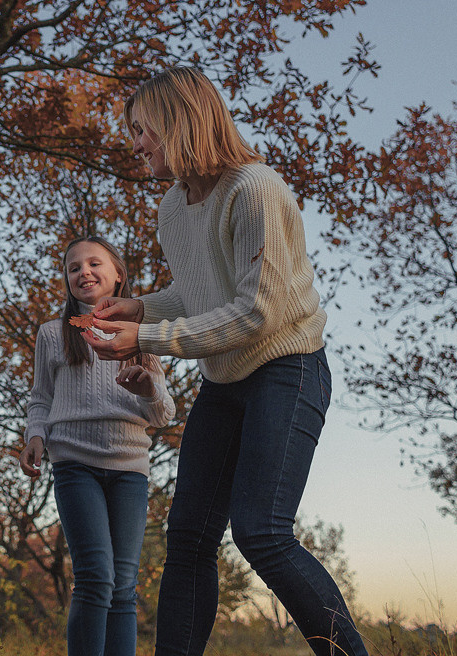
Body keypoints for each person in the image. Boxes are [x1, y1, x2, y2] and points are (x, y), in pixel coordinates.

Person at [82, 67, 369, 656]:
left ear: (179, 123)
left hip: (286, 368)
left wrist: (146, 335)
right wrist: (138, 305)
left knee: (261, 533)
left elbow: (255, 312)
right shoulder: (171, 207)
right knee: (187, 537)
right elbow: (198, 291)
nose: (134, 144)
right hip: (225, 380)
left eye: (142, 130)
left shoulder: (255, 188)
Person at [19, 236, 175, 656]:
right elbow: (41, 397)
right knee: (96, 577)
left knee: (124, 586)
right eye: (73, 268)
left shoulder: (143, 335)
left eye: (94, 263)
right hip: (75, 464)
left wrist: (148, 391)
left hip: (130, 469)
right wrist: (36, 436)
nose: (83, 272)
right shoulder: (53, 334)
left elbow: (165, 413)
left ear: (118, 274)